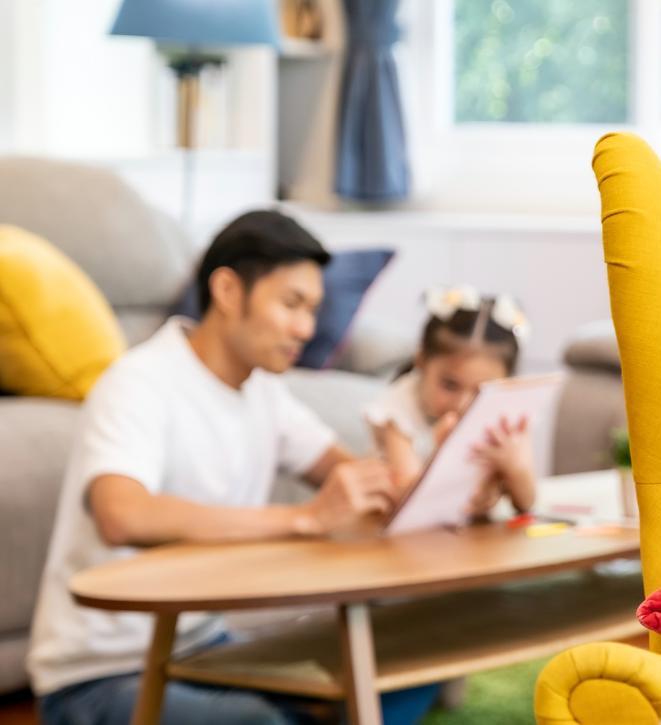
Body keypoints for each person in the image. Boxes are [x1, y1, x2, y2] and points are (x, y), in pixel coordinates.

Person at [28, 210, 439, 724]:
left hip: (208, 649)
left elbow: (350, 477)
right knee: (263, 723)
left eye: (313, 309)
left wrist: (432, 469)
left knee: (410, 662)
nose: (306, 329)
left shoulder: (264, 391)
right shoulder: (139, 383)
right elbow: (122, 515)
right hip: (102, 677)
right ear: (227, 291)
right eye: (292, 304)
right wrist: (303, 519)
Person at [365, 286, 536, 516]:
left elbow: (526, 503)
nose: (462, 404)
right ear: (421, 361)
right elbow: (407, 501)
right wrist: (442, 454)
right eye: (450, 385)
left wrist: (516, 467)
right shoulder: (398, 410)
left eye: (481, 391)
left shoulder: (501, 415)